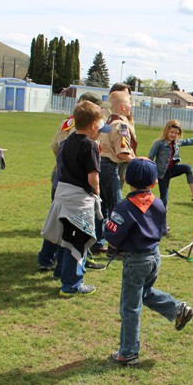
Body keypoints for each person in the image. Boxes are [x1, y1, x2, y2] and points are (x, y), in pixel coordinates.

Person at [103, 158, 193, 367]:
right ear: (154, 182)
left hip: (135, 261)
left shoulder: (124, 207)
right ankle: (177, 309)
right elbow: (162, 229)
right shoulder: (158, 202)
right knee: (143, 293)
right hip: (154, 256)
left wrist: (106, 228)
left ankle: (128, 353)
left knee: (130, 307)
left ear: (126, 179)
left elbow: (113, 236)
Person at [38, 92, 106, 272]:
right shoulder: (86, 141)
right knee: (74, 231)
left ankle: (51, 264)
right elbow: (92, 177)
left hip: (62, 182)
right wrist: (95, 187)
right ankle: (68, 270)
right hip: (76, 188)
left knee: (59, 226)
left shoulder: (70, 136)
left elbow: (56, 147)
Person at [96, 91, 136, 253]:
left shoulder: (108, 121)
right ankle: (115, 246)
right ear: (123, 106)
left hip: (101, 164)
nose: (131, 107)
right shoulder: (121, 125)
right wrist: (139, 163)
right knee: (117, 208)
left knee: (103, 206)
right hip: (110, 166)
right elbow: (122, 152)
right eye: (130, 103)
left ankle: (98, 242)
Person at [148, 119, 193, 206]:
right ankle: (160, 215)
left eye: (176, 133)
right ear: (167, 130)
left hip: (172, 170)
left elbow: (191, 141)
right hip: (162, 175)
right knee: (164, 199)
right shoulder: (159, 144)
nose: (174, 135)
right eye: (172, 132)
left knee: (188, 168)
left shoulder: (177, 142)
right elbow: (150, 159)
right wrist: (152, 175)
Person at [109, 83, 138, 190]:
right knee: (114, 198)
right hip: (115, 160)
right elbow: (121, 148)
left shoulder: (126, 119)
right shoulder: (118, 122)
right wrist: (135, 161)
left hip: (123, 160)